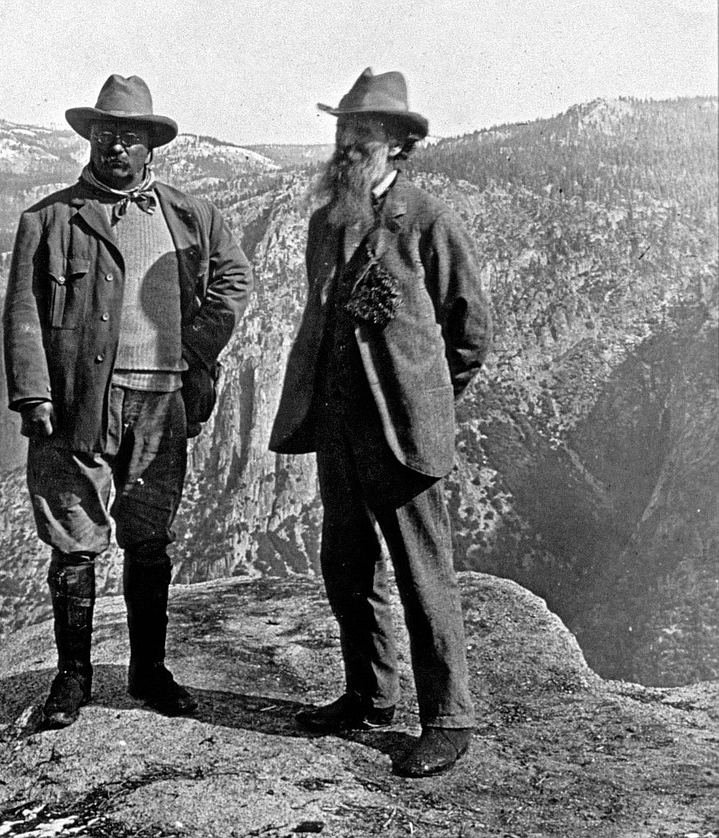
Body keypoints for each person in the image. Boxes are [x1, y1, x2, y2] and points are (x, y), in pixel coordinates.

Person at [3, 74, 252, 729]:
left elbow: (234, 280)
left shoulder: (191, 216)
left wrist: (195, 348)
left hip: (162, 400)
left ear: (152, 148)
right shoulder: (49, 220)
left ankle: (149, 672)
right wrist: (33, 393)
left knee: (149, 540)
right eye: (106, 135)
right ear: (90, 139)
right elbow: (24, 309)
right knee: (73, 541)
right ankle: (72, 678)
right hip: (75, 400)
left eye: (131, 138)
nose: (117, 147)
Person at [269, 68, 493, 777]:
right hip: (337, 426)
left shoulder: (428, 220)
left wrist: (425, 397)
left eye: (361, 135)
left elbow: (470, 332)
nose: (346, 146)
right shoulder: (324, 221)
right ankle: (369, 695)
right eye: (341, 132)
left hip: (402, 432)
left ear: (398, 146)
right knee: (345, 564)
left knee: (423, 573)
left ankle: (449, 719)